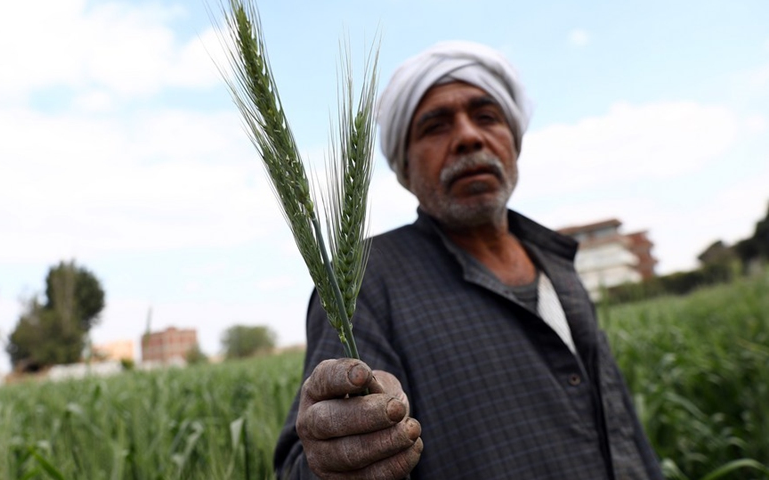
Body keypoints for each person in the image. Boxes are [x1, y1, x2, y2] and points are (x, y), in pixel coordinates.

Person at [274, 41, 664, 480]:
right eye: (436, 126)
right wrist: (332, 459)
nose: (468, 136)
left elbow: (622, 427)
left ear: (513, 140)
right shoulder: (366, 280)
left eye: (486, 116)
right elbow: (303, 466)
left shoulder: (560, 267)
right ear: (404, 168)